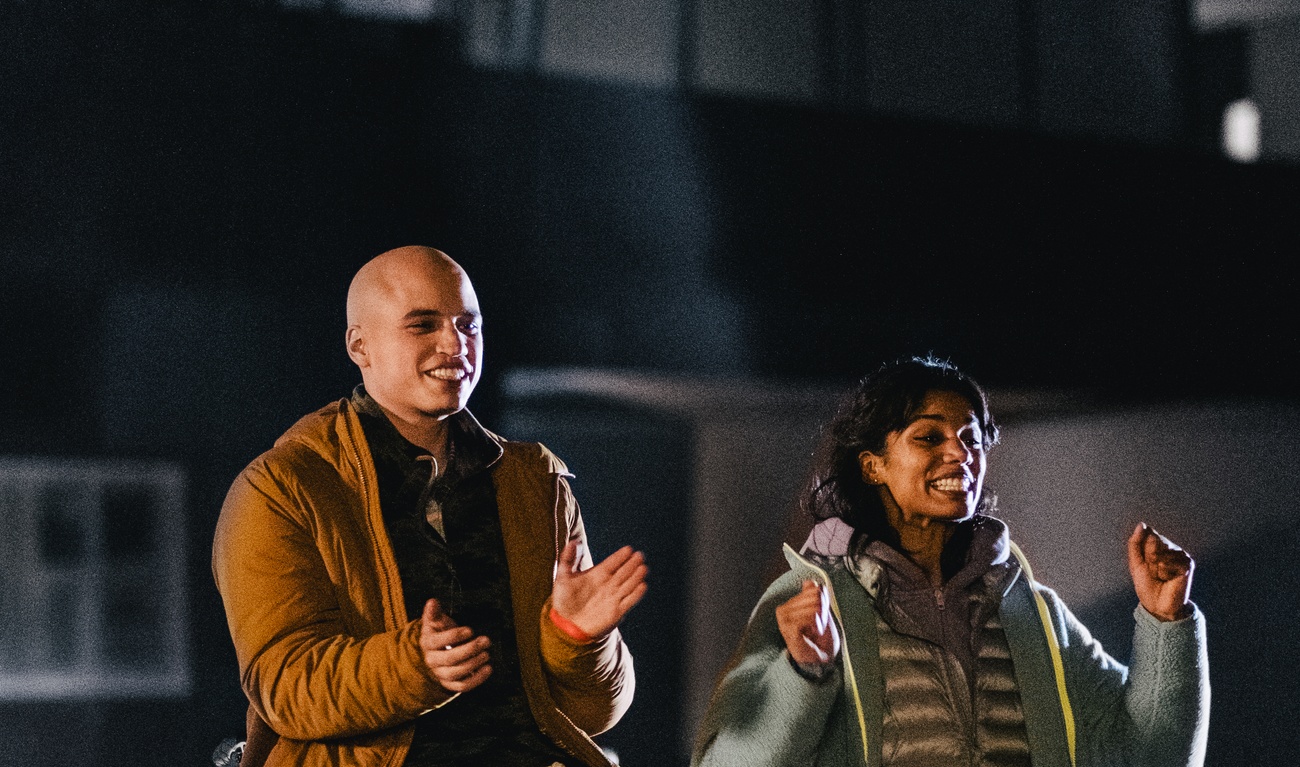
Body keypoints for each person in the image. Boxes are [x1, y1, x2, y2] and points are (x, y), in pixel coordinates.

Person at [213, 245, 647, 767]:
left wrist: (578, 640)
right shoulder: (283, 488)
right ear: (360, 345)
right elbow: (285, 688)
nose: (454, 344)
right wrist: (413, 665)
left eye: (469, 325)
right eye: (423, 325)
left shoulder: (533, 481)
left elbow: (597, 713)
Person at [691, 356, 1209, 767]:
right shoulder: (812, 600)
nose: (959, 454)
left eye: (971, 438)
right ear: (873, 465)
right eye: (929, 436)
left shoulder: (1031, 613)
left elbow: (1150, 754)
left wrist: (1167, 623)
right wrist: (802, 674)